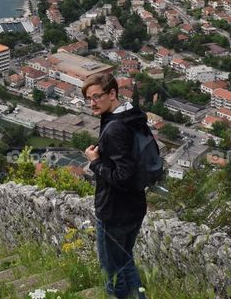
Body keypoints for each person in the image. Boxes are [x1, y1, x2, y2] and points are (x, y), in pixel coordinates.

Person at [82, 73, 148, 299]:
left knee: (113, 271)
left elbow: (122, 176)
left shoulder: (114, 129)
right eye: (88, 98)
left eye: (97, 96)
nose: (92, 103)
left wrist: (95, 162)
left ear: (112, 94)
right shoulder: (134, 115)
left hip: (115, 212)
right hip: (135, 206)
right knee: (125, 261)